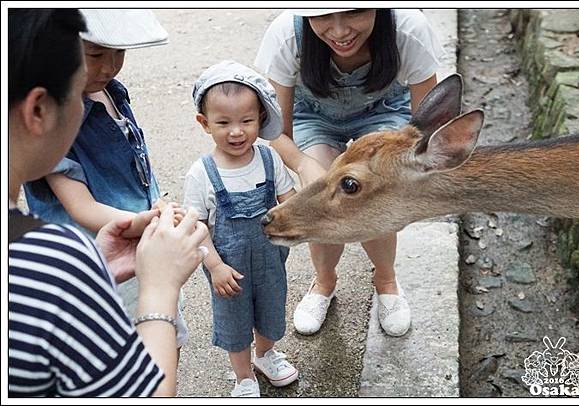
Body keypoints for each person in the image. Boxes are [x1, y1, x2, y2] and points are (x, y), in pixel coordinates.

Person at [8, 9, 208, 396]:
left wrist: (90, 267)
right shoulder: (53, 263)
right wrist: (160, 290)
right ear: (38, 110)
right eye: (90, 60)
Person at [254, 9, 444, 337]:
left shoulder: (409, 30)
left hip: (385, 113)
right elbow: (275, 132)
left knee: (373, 191)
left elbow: (427, 129)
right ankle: (324, 281)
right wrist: (303, 164)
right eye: (323, 15)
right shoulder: (286, 34)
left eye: (354, 11)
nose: (340, 31)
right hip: (313, 117)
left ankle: (386, 281)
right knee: (321, 198)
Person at [183, 61, 298, 397]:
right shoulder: (201, 173)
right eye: (223, 123)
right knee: (234, 321)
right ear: (204, 124)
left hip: (269, 260)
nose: (236, 131)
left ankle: (265, 355)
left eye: (246, 121)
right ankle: (243, 375)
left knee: (271, 309)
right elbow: (198, 225)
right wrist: (215, 266)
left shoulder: (269, 158)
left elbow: (287, 199)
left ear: (260, 120)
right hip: (227, 267)